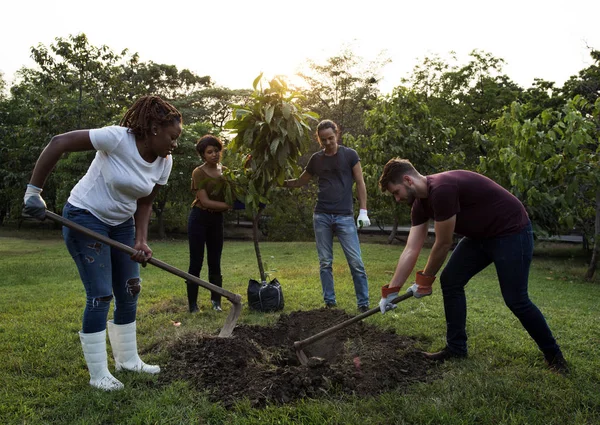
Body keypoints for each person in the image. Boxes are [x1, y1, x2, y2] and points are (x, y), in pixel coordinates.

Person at [22, 95, 183, 390]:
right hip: (85, 216)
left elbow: (145, 204)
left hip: (122, 222)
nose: (175, 144)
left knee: (130, 289)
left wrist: (141, 239)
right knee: (100, 294)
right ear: (155, 128)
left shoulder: (165, 162)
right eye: (173, 137)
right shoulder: (117, 138)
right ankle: (98, 374)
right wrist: (34, 191)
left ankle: (128, 360)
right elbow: (59, 142)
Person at [377, 158, 568, 373]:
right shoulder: (419, 206)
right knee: (451, 281)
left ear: (407, 180)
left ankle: (554, 356)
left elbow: (443, 242)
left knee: (516, 299)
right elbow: (411, 249)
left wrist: (424, 281)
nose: (396, 198)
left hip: (511, 231)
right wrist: (391, 291)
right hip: (481, 236)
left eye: (396, 192)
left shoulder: (442, 189)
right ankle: (456, 348)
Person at [284, 119, 371, 312]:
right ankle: (330, 303)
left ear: (336, 134)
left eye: (330, 138)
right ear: (319, 139)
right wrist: (280, 182)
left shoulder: (350, 155)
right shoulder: (316, 159)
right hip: (321, 215)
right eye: (323, 140)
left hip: (345, 216)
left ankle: (363, 303)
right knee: (325, 262)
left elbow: (360, 182)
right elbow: (300, 181)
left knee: (355, 262)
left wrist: (363, 210)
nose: (328, 143)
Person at [186, 135, 232, 313]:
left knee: (215, 262)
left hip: (216, 220)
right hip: (199, 218)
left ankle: (216, 302)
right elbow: (204, 201)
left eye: (217, 150)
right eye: (209, 152)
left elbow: (235, 189)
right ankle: (192, 305)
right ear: (203, 155)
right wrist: (229, 206)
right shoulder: (198, 172)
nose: (214, 154)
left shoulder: (225, 171)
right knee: (196, 262)